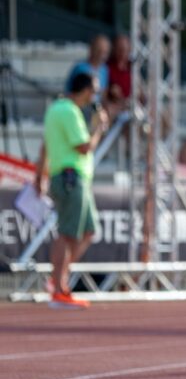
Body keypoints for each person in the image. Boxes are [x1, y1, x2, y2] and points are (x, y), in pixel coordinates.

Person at [34, 72, 108, 309]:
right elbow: (84, 147)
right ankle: (57, 288)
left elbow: (46, 145)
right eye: (94, 91)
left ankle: (58, 280)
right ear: (85, 90)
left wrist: (40, 175)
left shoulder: (56, 109)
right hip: (71, 177)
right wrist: (98, 129)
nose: (94, 96)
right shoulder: (69, 111)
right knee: (68, 233)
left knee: (86, 231)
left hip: (69, 177)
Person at [105, 34, 131, 112]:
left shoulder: (132, 69)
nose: (122, 53)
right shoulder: (107, 67)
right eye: (119, 49)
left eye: (125, 50)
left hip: (131, 105)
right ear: (114, 49)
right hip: (115, 106)